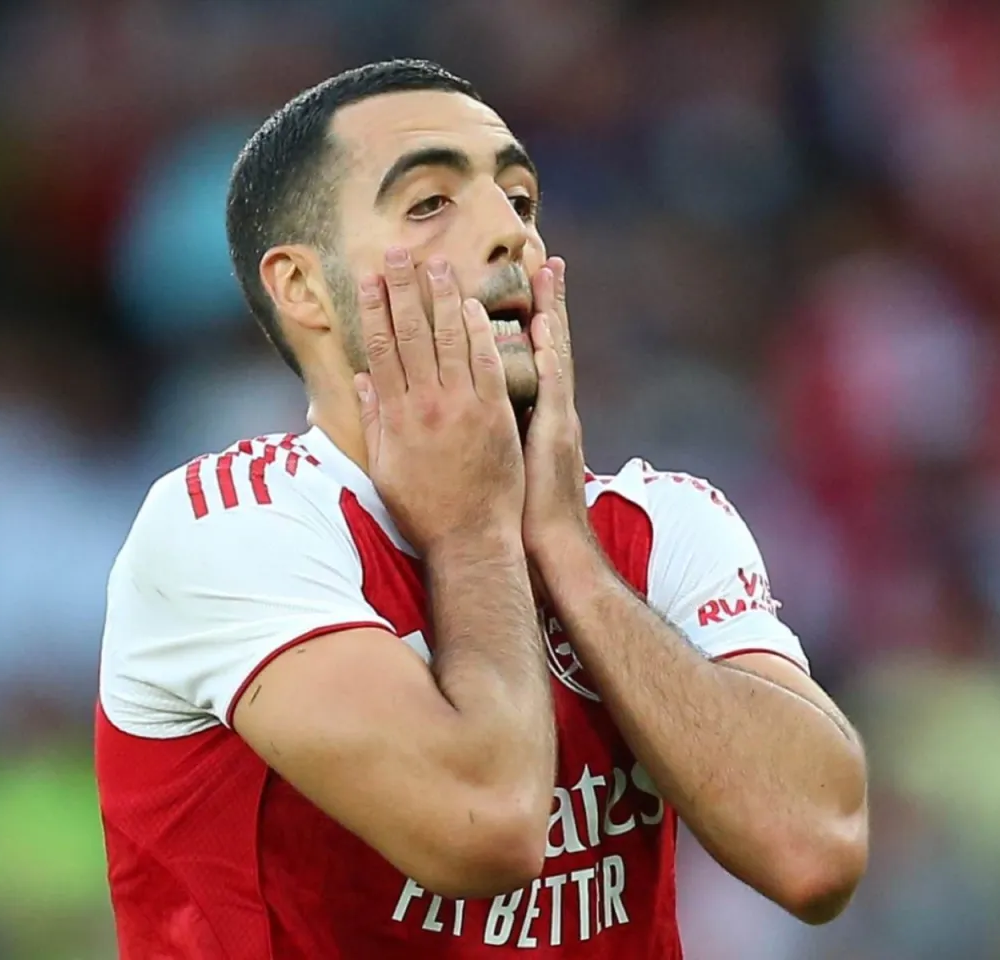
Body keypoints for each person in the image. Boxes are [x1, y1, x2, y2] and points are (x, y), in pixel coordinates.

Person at [95, 59, 869, 958]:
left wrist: (566, 549)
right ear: (302, 286)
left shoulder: (660, 526)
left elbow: (815, 852)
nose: (510, 234)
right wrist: (474, 531)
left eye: (521, 200)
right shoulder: (229, 528)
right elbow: (486, 826)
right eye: (429, 203)